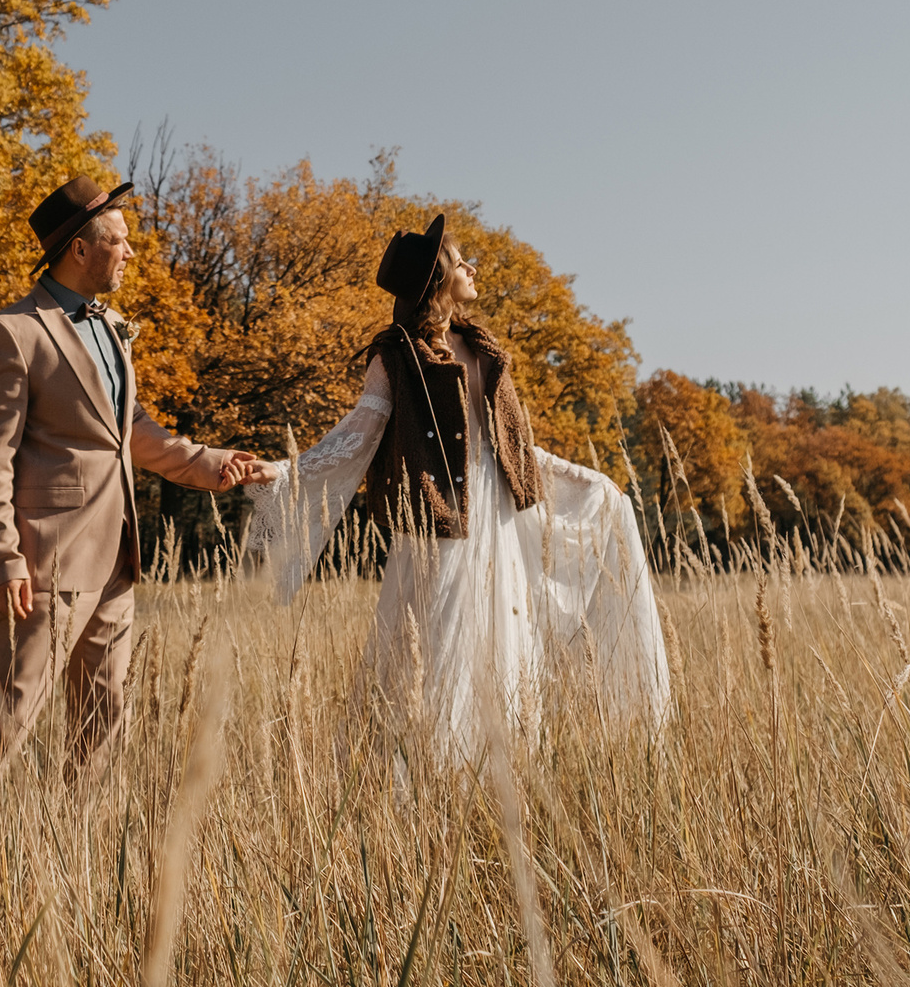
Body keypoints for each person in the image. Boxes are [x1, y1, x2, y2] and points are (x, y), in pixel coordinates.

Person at [243, 214, 669, 759]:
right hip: (441, 522)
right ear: (438, 280)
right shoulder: (396, 358)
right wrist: (285, 472)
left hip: (499, 517)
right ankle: (425, 771)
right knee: (437, 643)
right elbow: (359, 433)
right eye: (462, 262)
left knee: (506, 640)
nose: (472, 268)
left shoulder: (483, 348)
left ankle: (502, 768)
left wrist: (587, 479)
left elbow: (511, 446)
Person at [0, 174, 271, 798]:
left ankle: (79, 846)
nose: (130, 253)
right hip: (46, 561)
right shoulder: (10, 333)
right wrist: (3, 559)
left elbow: (130, 431)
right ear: (81, 250)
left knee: (105, 716)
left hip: (119, 554)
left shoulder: (114, 327)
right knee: (12, 706)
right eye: (119, 241)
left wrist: (209, 461)